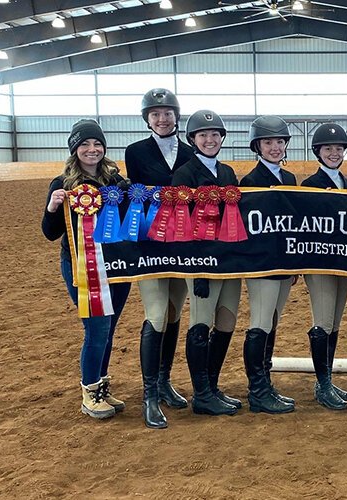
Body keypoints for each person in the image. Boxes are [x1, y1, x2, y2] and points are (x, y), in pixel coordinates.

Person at [42, 119, 132, 420]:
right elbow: (50, 233)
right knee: (97, 329)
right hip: (82, 265)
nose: (92, 149)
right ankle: (90, 390)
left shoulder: (115, 180)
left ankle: (102, 386)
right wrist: (53, 207)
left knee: (109, 329)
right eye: (85, 144)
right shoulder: (62, 184)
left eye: (97, 144)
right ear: (75, 149)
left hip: (117, 265)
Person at [125, 88, 194, 429]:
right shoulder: (135, 152)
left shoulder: (192, 151)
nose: (162, 118)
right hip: (152, 243)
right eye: (156, 114)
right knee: (155, 314)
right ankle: (149, 395)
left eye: (167, 112)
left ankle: (165, 380)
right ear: (147, 119)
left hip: (183, 244)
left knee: (174, 312)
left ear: (176, 115)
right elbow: (135, 194)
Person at [171, 110, 240, 416]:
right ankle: (201, 394)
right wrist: (195, 267)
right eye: (203, 135)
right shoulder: (185, 175)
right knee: (201, 324)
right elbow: (180, 223)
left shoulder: (227, 173)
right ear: (193, 140)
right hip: (201, 263)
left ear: (222, 138)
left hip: (227, 262)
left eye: (215, 135)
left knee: (225, 323)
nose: (210, 140)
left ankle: (212, 387)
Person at [240, 115, 297, 414]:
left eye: (279, 141)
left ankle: (266, 382)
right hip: (262, 267)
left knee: (272, 322)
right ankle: (257, 390)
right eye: (268, 142)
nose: (275, 147)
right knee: (260, 324)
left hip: (284, 266)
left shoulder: (289, 180)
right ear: (257, 146)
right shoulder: (250, 182)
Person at [300, 122, 347, 410]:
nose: (334, 153)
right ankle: (322, 386)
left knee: (334, 323)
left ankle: (328, 378)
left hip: (343, 266)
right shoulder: (308, 186)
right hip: (320, 265)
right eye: (328, 148)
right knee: (322, 322)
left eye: (338, 148)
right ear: (318, 152)